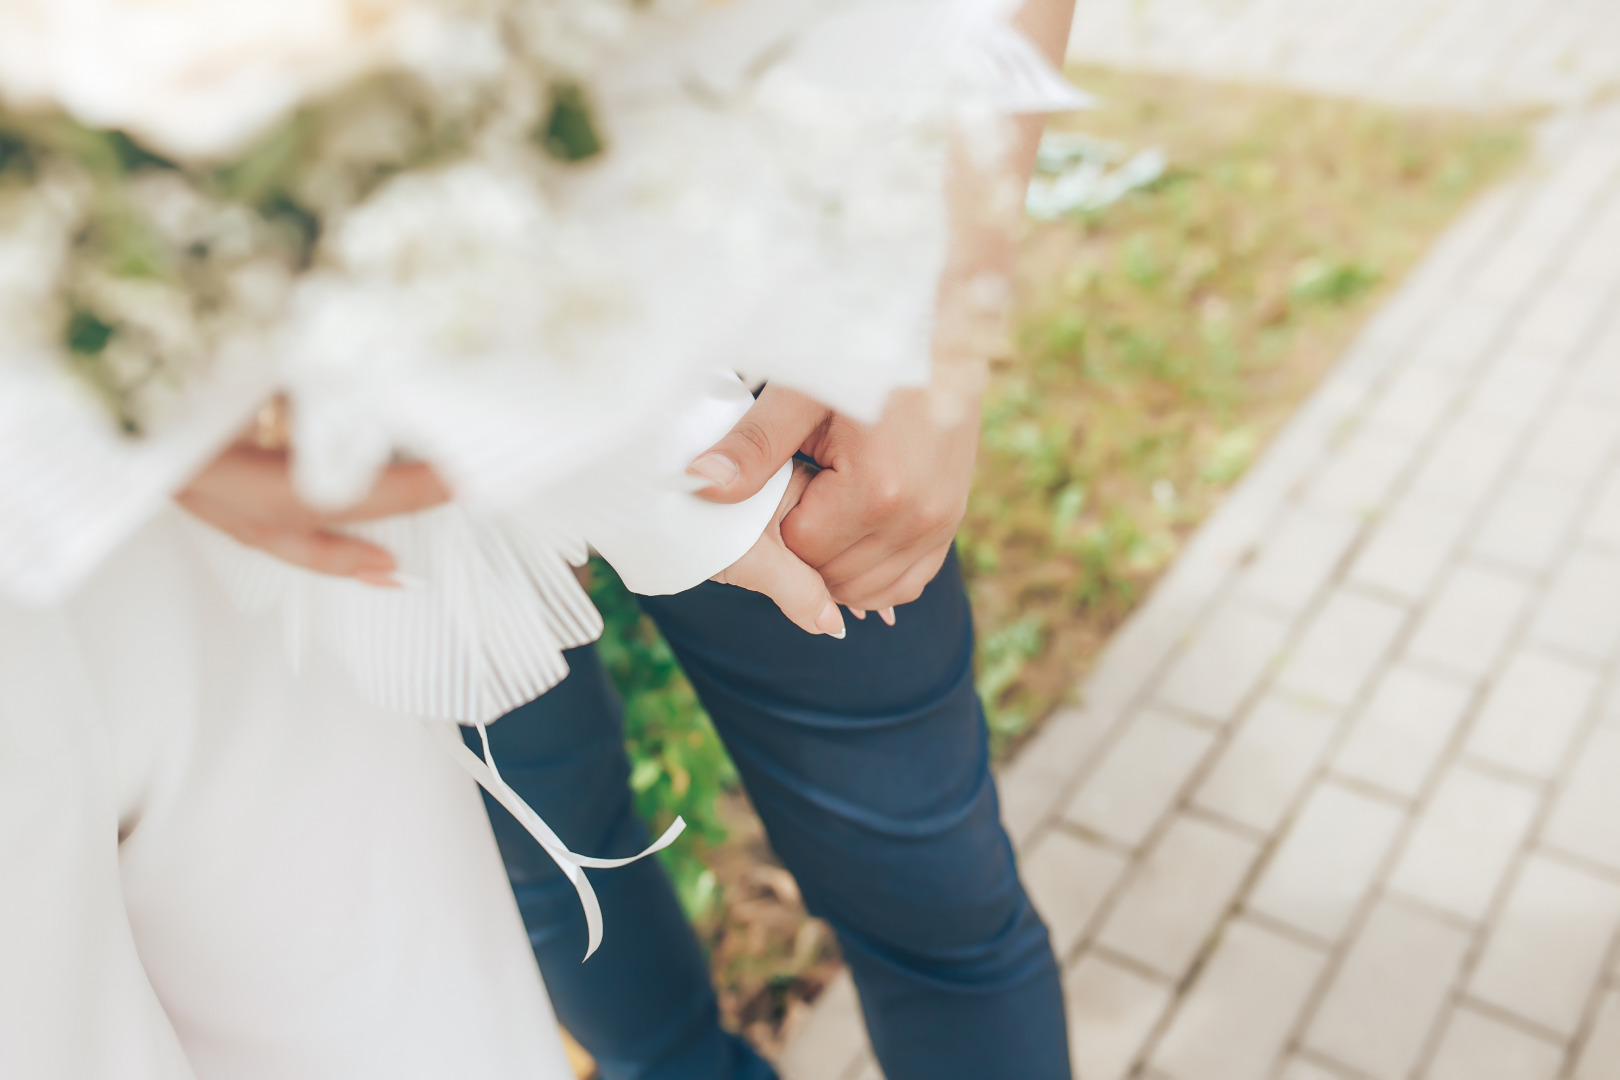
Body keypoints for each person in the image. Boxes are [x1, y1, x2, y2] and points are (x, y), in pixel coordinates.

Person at [467, 2, 1080, 1078]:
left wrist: (943, 316)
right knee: (554, 856)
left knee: (931, 904)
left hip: (762, 339)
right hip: (422, 404)